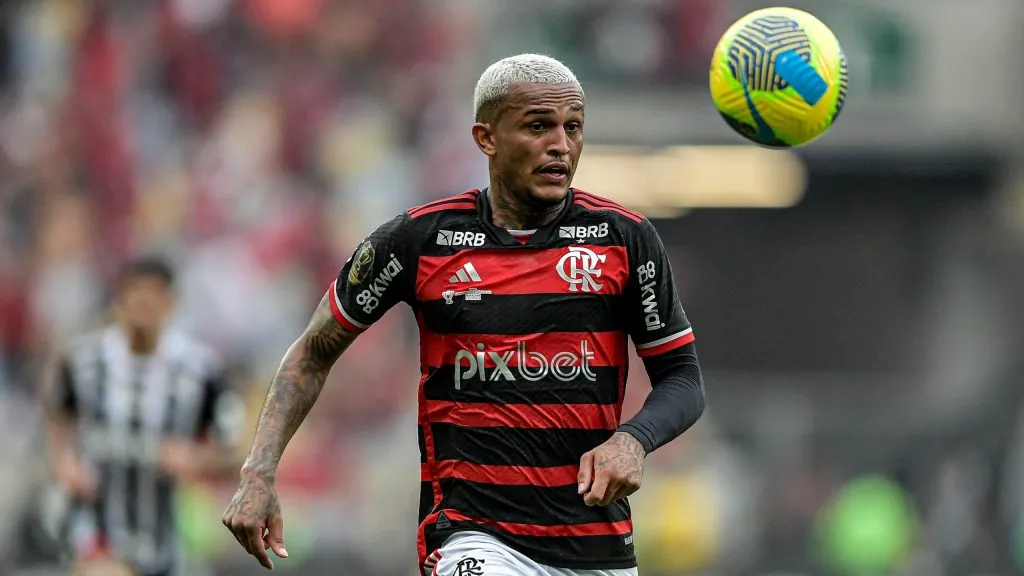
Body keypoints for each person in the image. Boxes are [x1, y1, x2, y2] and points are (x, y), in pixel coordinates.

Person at [222, 53, 706, 576]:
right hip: (473, 538)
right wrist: (258, 472)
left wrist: (634, 440)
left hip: (597, 548)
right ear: (486, 138)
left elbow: (683, 380)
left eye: (573, 127)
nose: (560, 145)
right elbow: (314, 352)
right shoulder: (418, 240)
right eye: (538, 126)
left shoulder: (625, 240)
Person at [41, 257, 245, 576]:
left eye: (153, 295)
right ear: (119, 298)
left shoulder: (200, 371)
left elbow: (235, 453)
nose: (143, 305)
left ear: (171, 303)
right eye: (135, 293)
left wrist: (196, 458)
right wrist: (64, 461)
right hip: (94, 528)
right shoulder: (83, 362)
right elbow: (57, 414)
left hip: (165, 539)